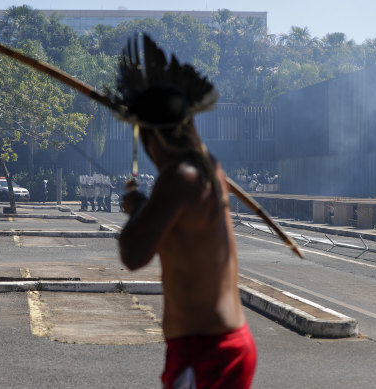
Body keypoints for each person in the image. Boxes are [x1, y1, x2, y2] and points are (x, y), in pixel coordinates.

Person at [115, 34, 257, 389]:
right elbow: (178, 227)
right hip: (213, 346)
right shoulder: (207, 166)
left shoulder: (180, 177)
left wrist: (136, 209)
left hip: (208, 350)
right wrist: (143, 206)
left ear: (151, 139)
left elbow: (133, 253)